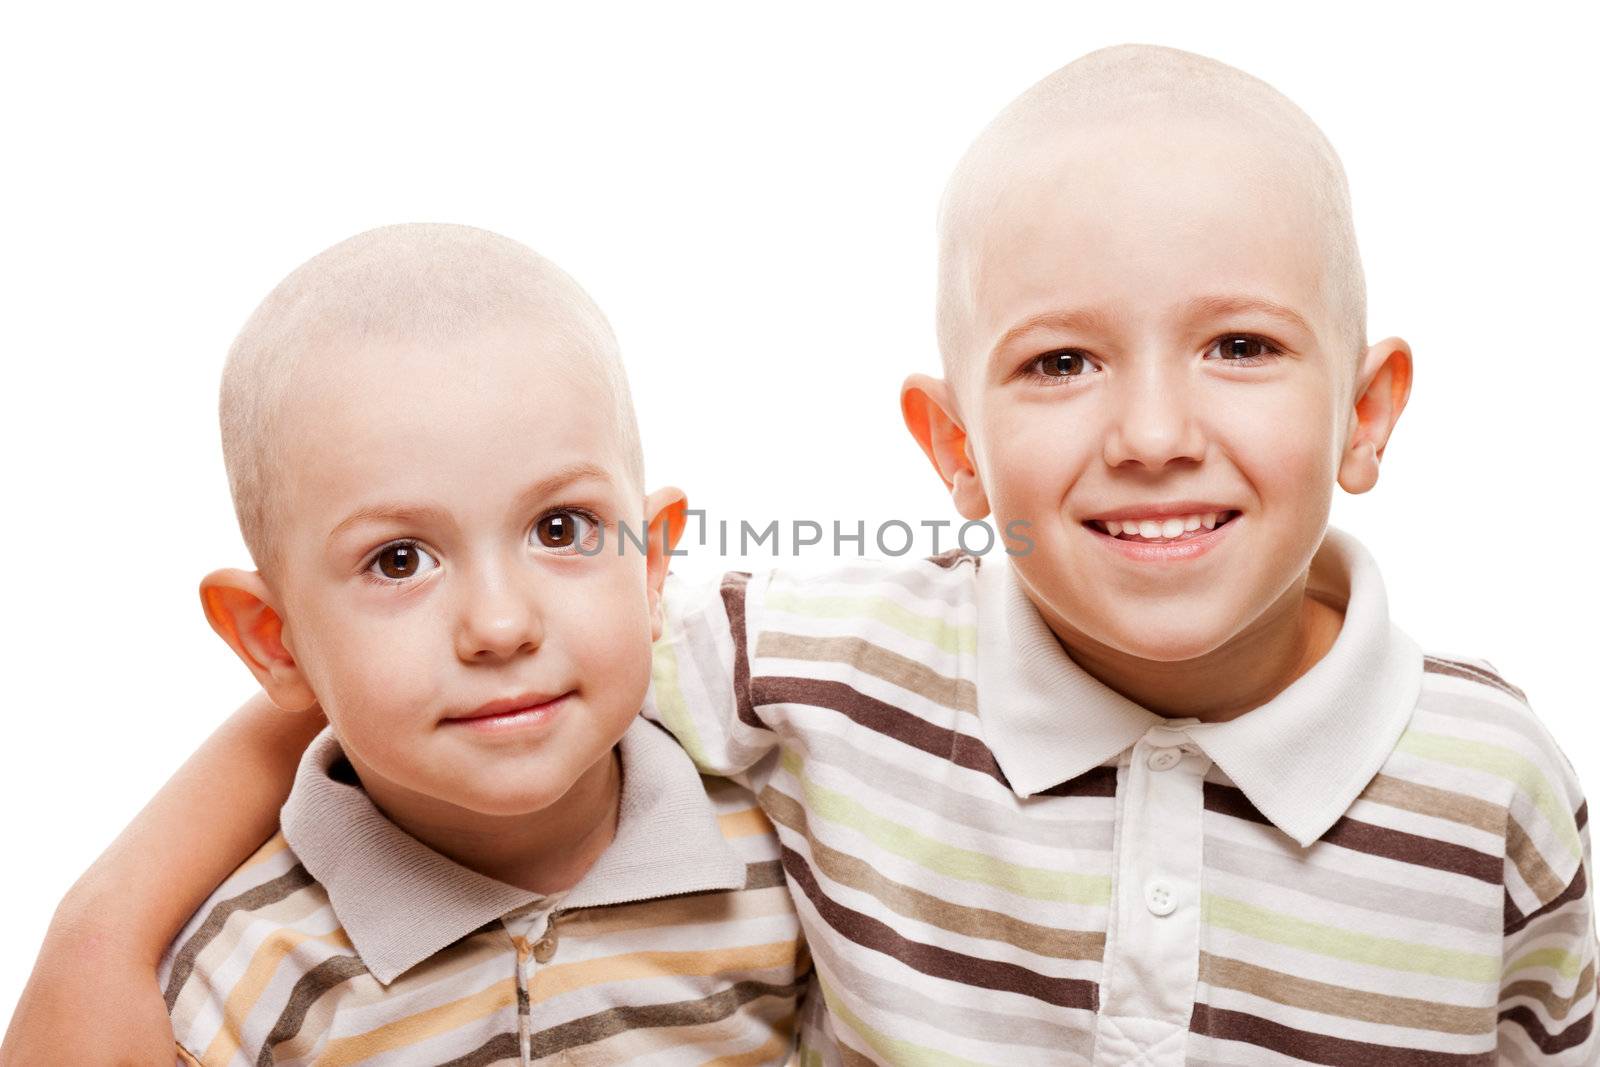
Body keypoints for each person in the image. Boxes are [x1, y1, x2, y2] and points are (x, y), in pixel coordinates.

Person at [7, 45, 1595, 1064]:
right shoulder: (819, 667)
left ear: (1369, 415)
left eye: (1242, 344)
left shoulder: (1494, 781)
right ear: (954, 448)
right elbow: (498, 648)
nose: (1155, 430)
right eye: (1059, 364)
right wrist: (101, 919)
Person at [5, 223, 808, 1065]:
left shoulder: (788, 862)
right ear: (274, 642)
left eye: (560, 526)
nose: (500, 626)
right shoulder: (246, 977)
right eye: (400, 560)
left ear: (649, 565)